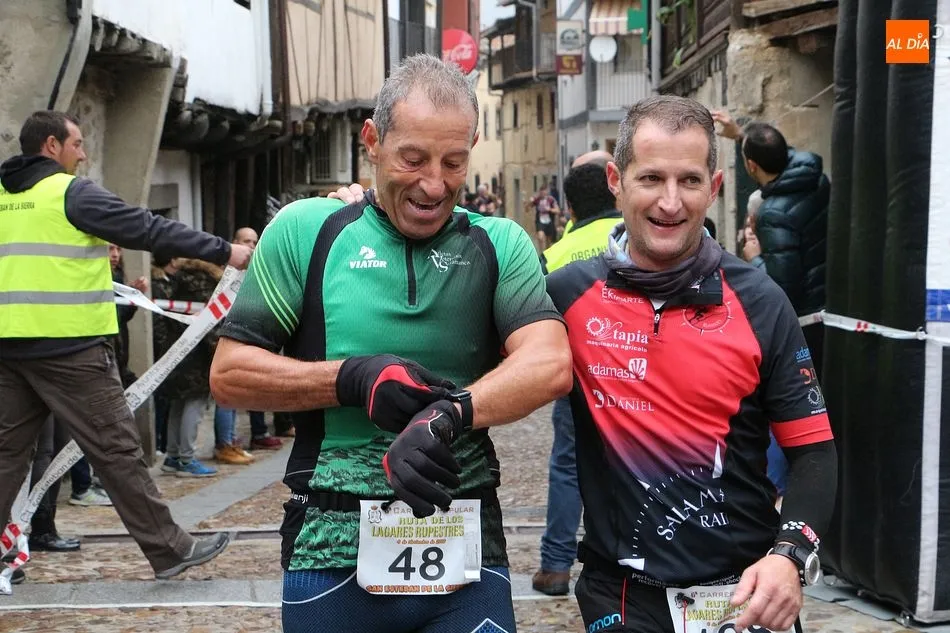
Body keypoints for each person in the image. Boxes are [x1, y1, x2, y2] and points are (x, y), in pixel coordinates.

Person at [209, 54, 571, 633]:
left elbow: (550, 362)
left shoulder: (498, 242)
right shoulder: (306, 230)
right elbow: (230, 375)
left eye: (453, 162)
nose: (434, 184)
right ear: (372, 142)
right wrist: (353, 379)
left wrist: (451, 415)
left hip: (465, 544)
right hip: (329, 545)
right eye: (413, 159)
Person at [546, 96, 837, 633]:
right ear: (616, 181)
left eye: (690, 181)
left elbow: (814, 452)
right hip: (621, 592)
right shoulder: (567, 295)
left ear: (715, 186)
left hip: (744, 592)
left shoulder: (760, 301)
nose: (670, 202)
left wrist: (790, 556)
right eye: (651, 178)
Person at [0, 110, 252, 582]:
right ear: (51, 146)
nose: (83, 154)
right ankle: (170, 549)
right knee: (116, 451)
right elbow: (147, 227)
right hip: (70, 350)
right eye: (76, 144)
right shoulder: (69, 193)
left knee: (5, 456)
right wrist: (225, 250)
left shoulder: (3, 197)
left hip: (9, 351)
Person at [532, 151, 622, 596]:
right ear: (617, 191)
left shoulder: (555, 255)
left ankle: (555, 566)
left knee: (567, 466)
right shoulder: (636, 236)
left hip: (577, 377)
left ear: (568, 208)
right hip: (640, 375)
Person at [713, 111, 829, 377]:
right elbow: (774, 151)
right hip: (826, 302)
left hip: (805, 322)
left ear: (751, 166)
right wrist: (741, 135)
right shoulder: (815, 178)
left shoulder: (773, 214)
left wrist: (754, 257)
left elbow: (782, 289)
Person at [216, 227, 284, 451]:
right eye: (246, 241)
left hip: (254, 340)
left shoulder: (257, 271)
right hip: (225, 341)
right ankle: (226, 443)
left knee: (253, 389)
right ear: (234, 241)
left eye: (255, 242)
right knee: (227, 393)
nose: (251, 246)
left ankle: (255, 434)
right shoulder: (222, 276)